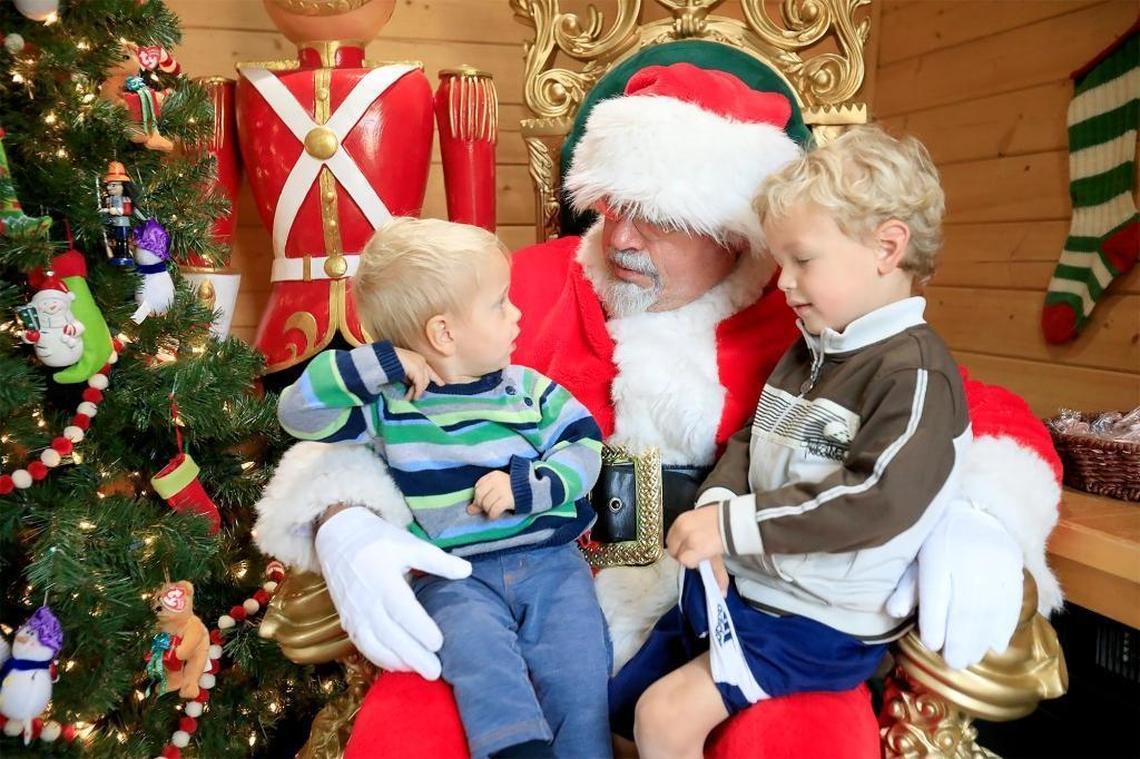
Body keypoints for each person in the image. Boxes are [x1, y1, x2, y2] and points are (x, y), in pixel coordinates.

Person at [255, 63, 1064, 758]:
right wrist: (343, 515)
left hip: (739, 608)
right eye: (611, 204)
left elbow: (973, 409)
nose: (621, 238)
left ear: (737, 234)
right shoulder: (507, 289)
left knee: (805, 739)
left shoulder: (810, 315)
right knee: (408, 729)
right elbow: (365, 404)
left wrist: (982, 513)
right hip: (512, 591)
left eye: (663, 218)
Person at [619, 125, 971, 758]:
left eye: (803, 260)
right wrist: (711, 510)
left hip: (818, 622)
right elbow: (754, 440)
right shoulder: (812, 344)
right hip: (757, 585)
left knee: (663, 716)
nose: (783, 281)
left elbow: (877, 499)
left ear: (887, 248)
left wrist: (731, 529)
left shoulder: (913, 373)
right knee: (615, 697)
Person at [275, 218, 612, 759]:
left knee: (577, 663)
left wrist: (528, 487)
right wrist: (378, 361)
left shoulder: (528, 389)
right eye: (501, 303)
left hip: (551, 561)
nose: (517, 313)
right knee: (479, 658)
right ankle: (516, 749)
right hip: (453, 576)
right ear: (444, 334)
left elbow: (584, 448)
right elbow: (298, 413)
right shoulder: (388, 404)